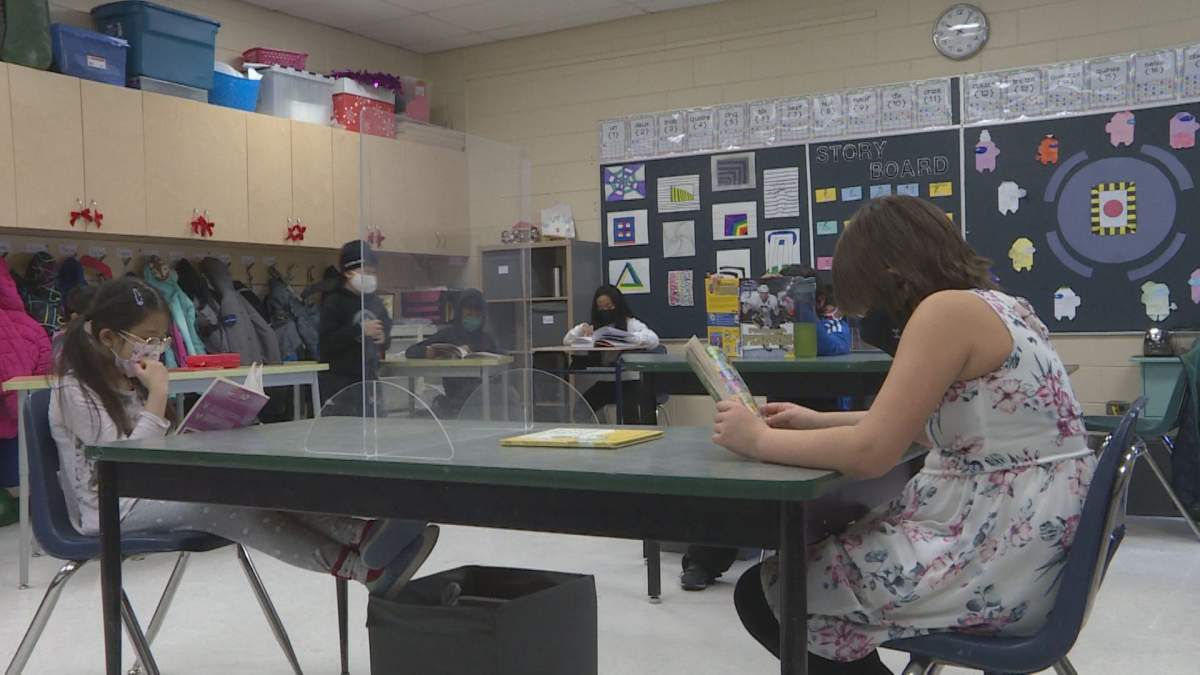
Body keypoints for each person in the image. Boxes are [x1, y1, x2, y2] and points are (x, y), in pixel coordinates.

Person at [712, 196, 1092, 674]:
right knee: (809, 570)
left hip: (998, 555)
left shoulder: (943, 312)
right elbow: (926, 424)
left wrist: (757, 441)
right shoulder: (1003, 307)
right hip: (1035, 550)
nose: (867, 316)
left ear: (892, 275)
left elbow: (873, 452)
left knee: (775, 588)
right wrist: (814, 419)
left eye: (865, 300)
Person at [50, 278, 436, 598]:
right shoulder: (75, 390)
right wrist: (158, 395)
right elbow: (123, 462)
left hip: (149, 489)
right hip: (111, 509)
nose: (154, 349)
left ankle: (364, 533)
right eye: (146, 338)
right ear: (108, 337)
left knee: (251, 481)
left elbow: (149, 449)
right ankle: (358, 567)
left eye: (161, 339)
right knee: (220, 504)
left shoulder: (128, 377)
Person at [681, 268, 850, 591]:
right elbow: (740, 338)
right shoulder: (771, 314)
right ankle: (704, 559)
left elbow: (831, 346)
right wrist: (729, 293)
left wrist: (801, 307)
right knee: (739, 482)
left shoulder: (832, 321)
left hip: (825, 427)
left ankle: (813, 561)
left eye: (795, 295)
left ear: (817, 299)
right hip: (776, 423)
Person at [563, 285, 658, 422]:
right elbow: (567, 340)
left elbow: (654, 339)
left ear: (617, 305)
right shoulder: (595, 327)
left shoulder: (630, 324)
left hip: (630, 381)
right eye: (601, 308)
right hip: (606, 382)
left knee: (630, 413)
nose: (605, 311)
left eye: (609, 307)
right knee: (580, 409)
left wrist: (632, 338)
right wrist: (580, 329)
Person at [319, 240, 393, 413]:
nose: (370, 276)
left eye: (373, 272)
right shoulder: (334, 301)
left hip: (370, 379)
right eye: (365, 271)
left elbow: (386, 330)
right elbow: (327, 343)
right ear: (348, 272)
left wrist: (384, 337)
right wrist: (359, 330)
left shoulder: (375, 301)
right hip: (341, 385)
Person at [405, 289, 498, 417]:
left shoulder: (486, 339)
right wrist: (428, 353)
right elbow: (411, 351)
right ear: (460, 314)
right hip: (455, 396)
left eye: (477, 316)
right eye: (469, 314)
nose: (473, 319)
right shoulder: (448, 334)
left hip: (482, 395)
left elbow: (500, 359)